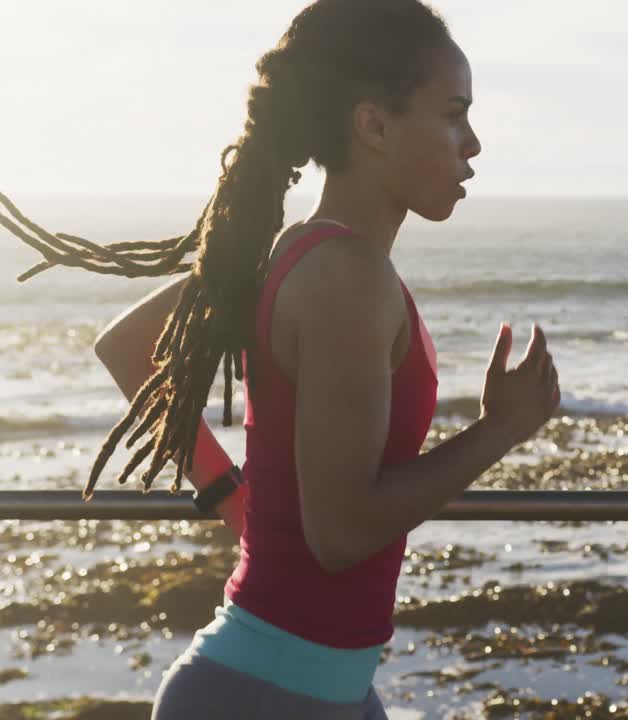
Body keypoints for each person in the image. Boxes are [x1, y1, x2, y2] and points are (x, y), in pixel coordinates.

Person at [3, 1, 559, 717]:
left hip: (320, 690)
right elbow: (341, 534)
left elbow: (128, 347)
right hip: (262, 696)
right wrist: (499, 432)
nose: (473, 143)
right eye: (453, 115)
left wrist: (235, 501)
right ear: (374, 125)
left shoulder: (300, 251)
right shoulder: (346, 275)